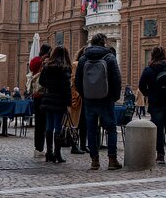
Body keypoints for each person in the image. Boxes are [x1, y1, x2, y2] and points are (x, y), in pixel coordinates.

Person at [75, 33, 122, 171]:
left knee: (91, 129)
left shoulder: (83, 58)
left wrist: (85, 95)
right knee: (111, 129)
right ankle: (112, 160)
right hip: (106, 99)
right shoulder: (109, 57)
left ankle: (94, 161)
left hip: (89, 100)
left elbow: (77, 81)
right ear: (103, 43)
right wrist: (114, 96)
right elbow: (116, 79)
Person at [139, 46, 166, 165]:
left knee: (158, 129)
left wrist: (150, 94)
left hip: (156, 103)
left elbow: (141, 86)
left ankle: (160, 156)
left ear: (152, 55)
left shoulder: (149, 69)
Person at [38, 46, 72, 163]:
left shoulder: (47, 67)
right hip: (60, 100)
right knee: (58, 127)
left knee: (49, 126)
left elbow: (41, 81)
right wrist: (68, 104)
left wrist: (50, 86)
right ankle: (57, 154)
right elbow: (67, 88)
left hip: (48, 98)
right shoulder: (65, 68)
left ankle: (49, 152)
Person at [30, 44, 51, 157]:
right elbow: (32, 67)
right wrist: (42, 60)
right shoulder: (36, 60)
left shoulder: (47, 61)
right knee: (40, 123)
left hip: (43, 96)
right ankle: (39, 148)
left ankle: (43, 148)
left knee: (43, 123)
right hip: (39, 95)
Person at [68, 46, 87, 155]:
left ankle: (83, 145)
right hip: (76, 97)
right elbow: (73, 79)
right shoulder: (75, 64)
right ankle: (74, 145)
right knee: (75, 122)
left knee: (84, 122)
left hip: (84, 97)